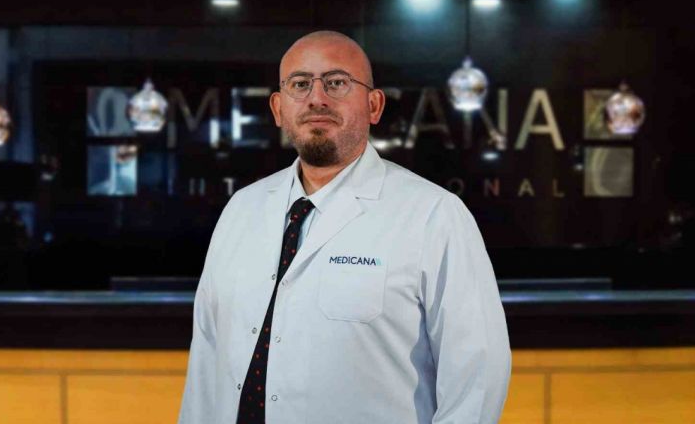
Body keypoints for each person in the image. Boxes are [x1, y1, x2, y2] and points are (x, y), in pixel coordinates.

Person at [178, 30, 511, 424]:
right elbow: (206, 360)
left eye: (336, 82)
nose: (316, 98)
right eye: (300, 84)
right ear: (278, 108)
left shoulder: (434, 215)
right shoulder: (241, 210)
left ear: (374, 105)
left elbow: (478, 375)